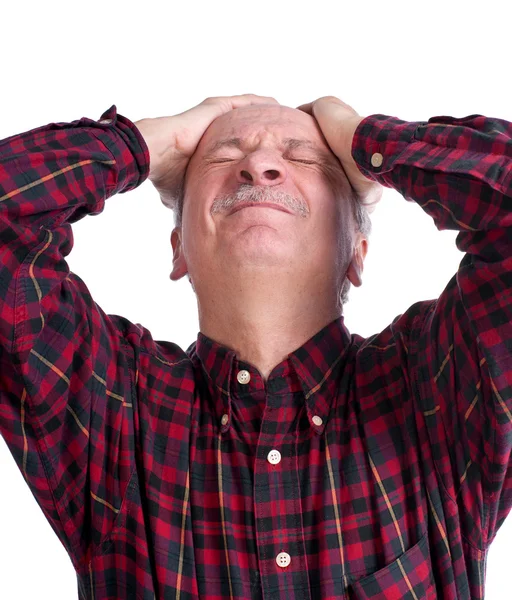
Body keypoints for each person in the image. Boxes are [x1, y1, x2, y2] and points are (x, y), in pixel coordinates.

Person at [0, 93, 510, 599]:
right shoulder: (112, 406)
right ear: (179, 250)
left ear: (356, 252)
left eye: (302, 158)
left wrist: (367, 140)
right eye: (224, 156)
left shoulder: (433, 390)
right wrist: (145, 145)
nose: (259, 167)